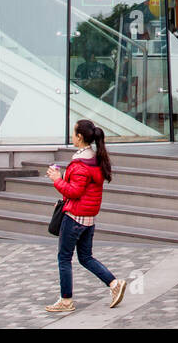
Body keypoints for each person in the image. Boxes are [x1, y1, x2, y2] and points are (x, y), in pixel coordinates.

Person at [44, 119, 128, 314]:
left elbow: (74, 192)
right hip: (88, 219)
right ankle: (114, 284)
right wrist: (62, 179)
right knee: (85, 257)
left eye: (73, 133)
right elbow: (81, 187)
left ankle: (66, 301)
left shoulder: (81, 163)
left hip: (74, 217)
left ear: (80, 137)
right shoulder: (94, 159)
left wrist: (57, 180)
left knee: (64, 258)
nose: (71, 136)